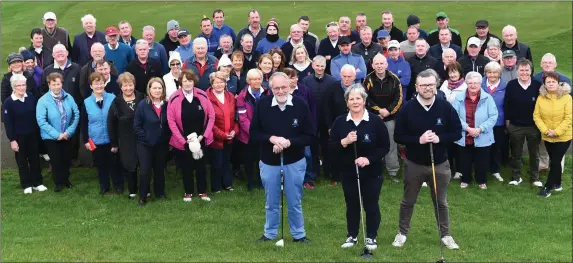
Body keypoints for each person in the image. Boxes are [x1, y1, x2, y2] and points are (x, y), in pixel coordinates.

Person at [392, 69, 461, 250]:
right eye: (423, 85)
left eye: (430, 84)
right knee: (408, 201)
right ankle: (402, 233)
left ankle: (445, 235)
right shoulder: (407, 108)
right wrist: (418, 140)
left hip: (440, 164)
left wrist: (440, 138)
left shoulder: (445, 107)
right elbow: (398, 136)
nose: (427, 88)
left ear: (436, 85)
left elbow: (456, 131)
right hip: (414, 163)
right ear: (416, 87)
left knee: (441, 201)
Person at [251, 71, 313, 244]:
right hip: (269, 162)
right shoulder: (262, 104)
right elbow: (254, 133)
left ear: (290, 86)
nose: (280, 91)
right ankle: (270, 233)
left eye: (284, 87)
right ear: (270, 88)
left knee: (294, 200)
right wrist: (272, 139)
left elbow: (309, 135)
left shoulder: (300, 105)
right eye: (276, 88)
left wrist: (289, 142)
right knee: (271, 200)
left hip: (294, 161)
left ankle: (298, 234)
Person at [329, 83, 389, 250]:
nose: (355, 102)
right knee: (352, 204)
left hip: (372, 172)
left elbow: (384, 146)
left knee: (371, 205)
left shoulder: (375, 121)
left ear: (364, 101)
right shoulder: (340, 122)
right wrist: (345, 141)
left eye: (358, 98)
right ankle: (352, 235)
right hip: (348, 172)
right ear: (347, 102)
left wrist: (369, 159)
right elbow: (331, 146)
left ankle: (371, 236)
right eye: (351, 99)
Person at [167, 70, 215, 202]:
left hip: (201, 139)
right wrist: (183, 140)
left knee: (201, 166)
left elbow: (211, 116)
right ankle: (188, 191)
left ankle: (202, 191)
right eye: (185, 81)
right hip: (183, 141)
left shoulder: (202, 95)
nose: (187, 83)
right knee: (186, 167)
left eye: (190, 80)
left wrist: (203, 136)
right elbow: (171, 121)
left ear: (194, 81)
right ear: (180, 82)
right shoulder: (174, 98)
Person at [452, 72, 498, 189]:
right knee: (464, 159)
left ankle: (481, 180)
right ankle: (465, 179)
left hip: (482, 134)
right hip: (464, 134)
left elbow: (493, 116)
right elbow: (455, 116)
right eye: (470, 83)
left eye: (476, 83)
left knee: (482, 160)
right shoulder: (459, 98)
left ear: (480, 84)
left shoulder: (488, 98)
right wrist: (467, 128)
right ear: (466, 83)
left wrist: (480, 129)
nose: (473, 85)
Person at [36, 72, 80, 192]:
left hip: (67, 135)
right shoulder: (43, 100)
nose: (56, 87)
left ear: (62, 84)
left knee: (66, 159)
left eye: (58, 84)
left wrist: (68, 132)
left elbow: (76, 114)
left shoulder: (68, 97)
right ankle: (58, 182)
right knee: (56, 160)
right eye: (53, 84)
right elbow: (41, 121)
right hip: (51, 137)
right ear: (49, 85)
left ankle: (66, 180)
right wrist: (57, 135)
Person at [3, 74, 46, 194]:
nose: (22, 88)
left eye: (23, 85)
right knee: (22, 161)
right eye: (19, 85)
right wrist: (12, 140)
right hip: (18, 137)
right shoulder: (9, 102)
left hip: (33, 134)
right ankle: (26, 184)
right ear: (13, 87)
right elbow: (8, 123)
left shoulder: (31, 97)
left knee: (35, 159)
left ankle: (37, 182)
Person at [80, 72, 122, 194]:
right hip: (95, 139)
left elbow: (117, 119)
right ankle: (104, 186)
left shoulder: (113, 98)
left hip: (111, 138)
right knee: (100, 164)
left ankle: (118, 185)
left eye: (101, 83)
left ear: (105, 84)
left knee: (114, 164)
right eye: (96, 83)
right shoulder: (86, 102)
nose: (99, 86)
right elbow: (84, 122)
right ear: (91, 86)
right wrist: (86, 140)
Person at [363, 54, 403, 183]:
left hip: (390, 117)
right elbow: (366, 98)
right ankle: (375, 170)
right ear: (373, 65)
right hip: (373, 118)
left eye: (382, 63)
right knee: (373, 145)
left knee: (391, 144)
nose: (379, 66)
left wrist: (388, 111)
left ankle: (393, 171)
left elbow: (399, 99)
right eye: (377, 64)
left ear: (386, 64)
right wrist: (378, 111)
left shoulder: (394, 79)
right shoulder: (367, 80)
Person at [40, 44, 82, 165]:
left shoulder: (76, 68)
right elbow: (43, 89)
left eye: (62, 51)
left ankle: (73, 158)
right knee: (56, 133)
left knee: (73, 133)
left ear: (67, 53)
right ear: (53, 55)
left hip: (72, 109)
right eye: (57, 52)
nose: (60, 54)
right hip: (54, 110)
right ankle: (57, 160)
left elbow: (81, 88)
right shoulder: (47, 70)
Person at [504, 59, 542, 187]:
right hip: (516, 126)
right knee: (516, 154)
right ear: (517, 71)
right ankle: (516, 176)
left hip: (533, 126)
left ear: (531, 71)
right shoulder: (511, 85)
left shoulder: (537, 85)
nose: (524, 73)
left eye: (527, 70)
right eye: (521, 70)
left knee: (534, 154)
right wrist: (508, 122)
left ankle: (535, 177)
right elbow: (507, 104)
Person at [133, 78, 171, 205]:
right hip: (145, 145)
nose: (157, 90)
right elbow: (137, 125)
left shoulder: (167, 104)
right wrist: (145, 138)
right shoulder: (143, 105)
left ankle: (160, 193)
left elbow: (170, 123)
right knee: (145, 170)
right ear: (149, 89)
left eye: (159, 88)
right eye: (154, 88)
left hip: (162, 144)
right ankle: (143, 196)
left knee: (160, 169)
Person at [533, 73, 572, 197]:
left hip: (563, 136)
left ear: (558, 83)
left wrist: (556, 132)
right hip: (547, 136)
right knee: (555, 160)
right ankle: (558, 184)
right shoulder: (541, 98)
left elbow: (568, 118)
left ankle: (547, 188)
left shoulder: (567, 98)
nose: (550, 84)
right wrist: (545, 131)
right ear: (544, 84)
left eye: (553, 82)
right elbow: (536, 116)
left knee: (555, 161)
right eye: (548, 82)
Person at [108, 72, 145, 199]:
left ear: (134, 84)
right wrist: (114, 143)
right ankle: (132, 190)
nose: (128, 88)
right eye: (125, 86)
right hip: (125, 139)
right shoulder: (116, 102)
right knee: (130, 165)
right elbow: (111, 123)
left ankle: (146, 189)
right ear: (120, 87)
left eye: (130, 85)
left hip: (142, 137)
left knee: (144, 164)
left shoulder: (142, 97)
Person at [302, 56, 337, 182]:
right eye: (317, 66)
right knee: (313, 147)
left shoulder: (332, 81)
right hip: (311, 118)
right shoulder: (306, 81)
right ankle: (314, 172)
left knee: (327, 146)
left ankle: (329, 172)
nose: (320, 68)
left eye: (322, 66)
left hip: (327, 119)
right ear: (313, 65)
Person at [283, 68, 317, 189]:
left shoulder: (304, 90)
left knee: (307, 154)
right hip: (286, 129)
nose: (296, 79)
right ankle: (287, 180)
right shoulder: (282, 92)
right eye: (292, 77)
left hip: (303, 129)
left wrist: (312, 126)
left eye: (296, 77)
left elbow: (312, 109)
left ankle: (308, 179)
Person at [324, 64, 357, 185]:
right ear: (340, 76)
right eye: (344, 76)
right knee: (337, 149)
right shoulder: (332, 88)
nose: (347, 79)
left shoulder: (360, 88)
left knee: (353, 149)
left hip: (355, 123)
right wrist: (329, 126)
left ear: (354, 76)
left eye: (349, 76)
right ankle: (335, 176)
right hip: (337, 124)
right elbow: (327, 109)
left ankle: (353, 174)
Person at [207, 71, 239, 192]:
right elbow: (209, 121)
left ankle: (227, 183)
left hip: (229, 136)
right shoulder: (207, 97)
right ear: (212, 84)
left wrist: (234, 131)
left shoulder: (230, 96)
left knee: (226, 161)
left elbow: (236, 117)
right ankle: (216, 187)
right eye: (217, 82)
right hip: (216, 137)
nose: (219, 84)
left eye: (222, 82)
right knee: (216, 162)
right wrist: (222, 135)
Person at [237, 69, 267, 190]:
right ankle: (250, 181)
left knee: (262, 159)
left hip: (263, 133)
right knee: (249, 159)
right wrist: (253, 132)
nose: (257, 81)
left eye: (259, 78)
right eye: (254, 79)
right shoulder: (242, 96)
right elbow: (242, 118)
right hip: (247, 135)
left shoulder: (267, 93)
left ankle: (261, 181)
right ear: (248, 81)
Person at [481, 62, 509, 181]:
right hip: (482, 122)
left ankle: (495, 170)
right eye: (489, 72)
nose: (492, 75)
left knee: (497, 146)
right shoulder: (479, 84)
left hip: (499, 122)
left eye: (495, 72)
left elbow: (508, 104)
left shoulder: (505, 86)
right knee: (484, 146)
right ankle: (484, 168)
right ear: (486, 73)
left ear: (499, 74)